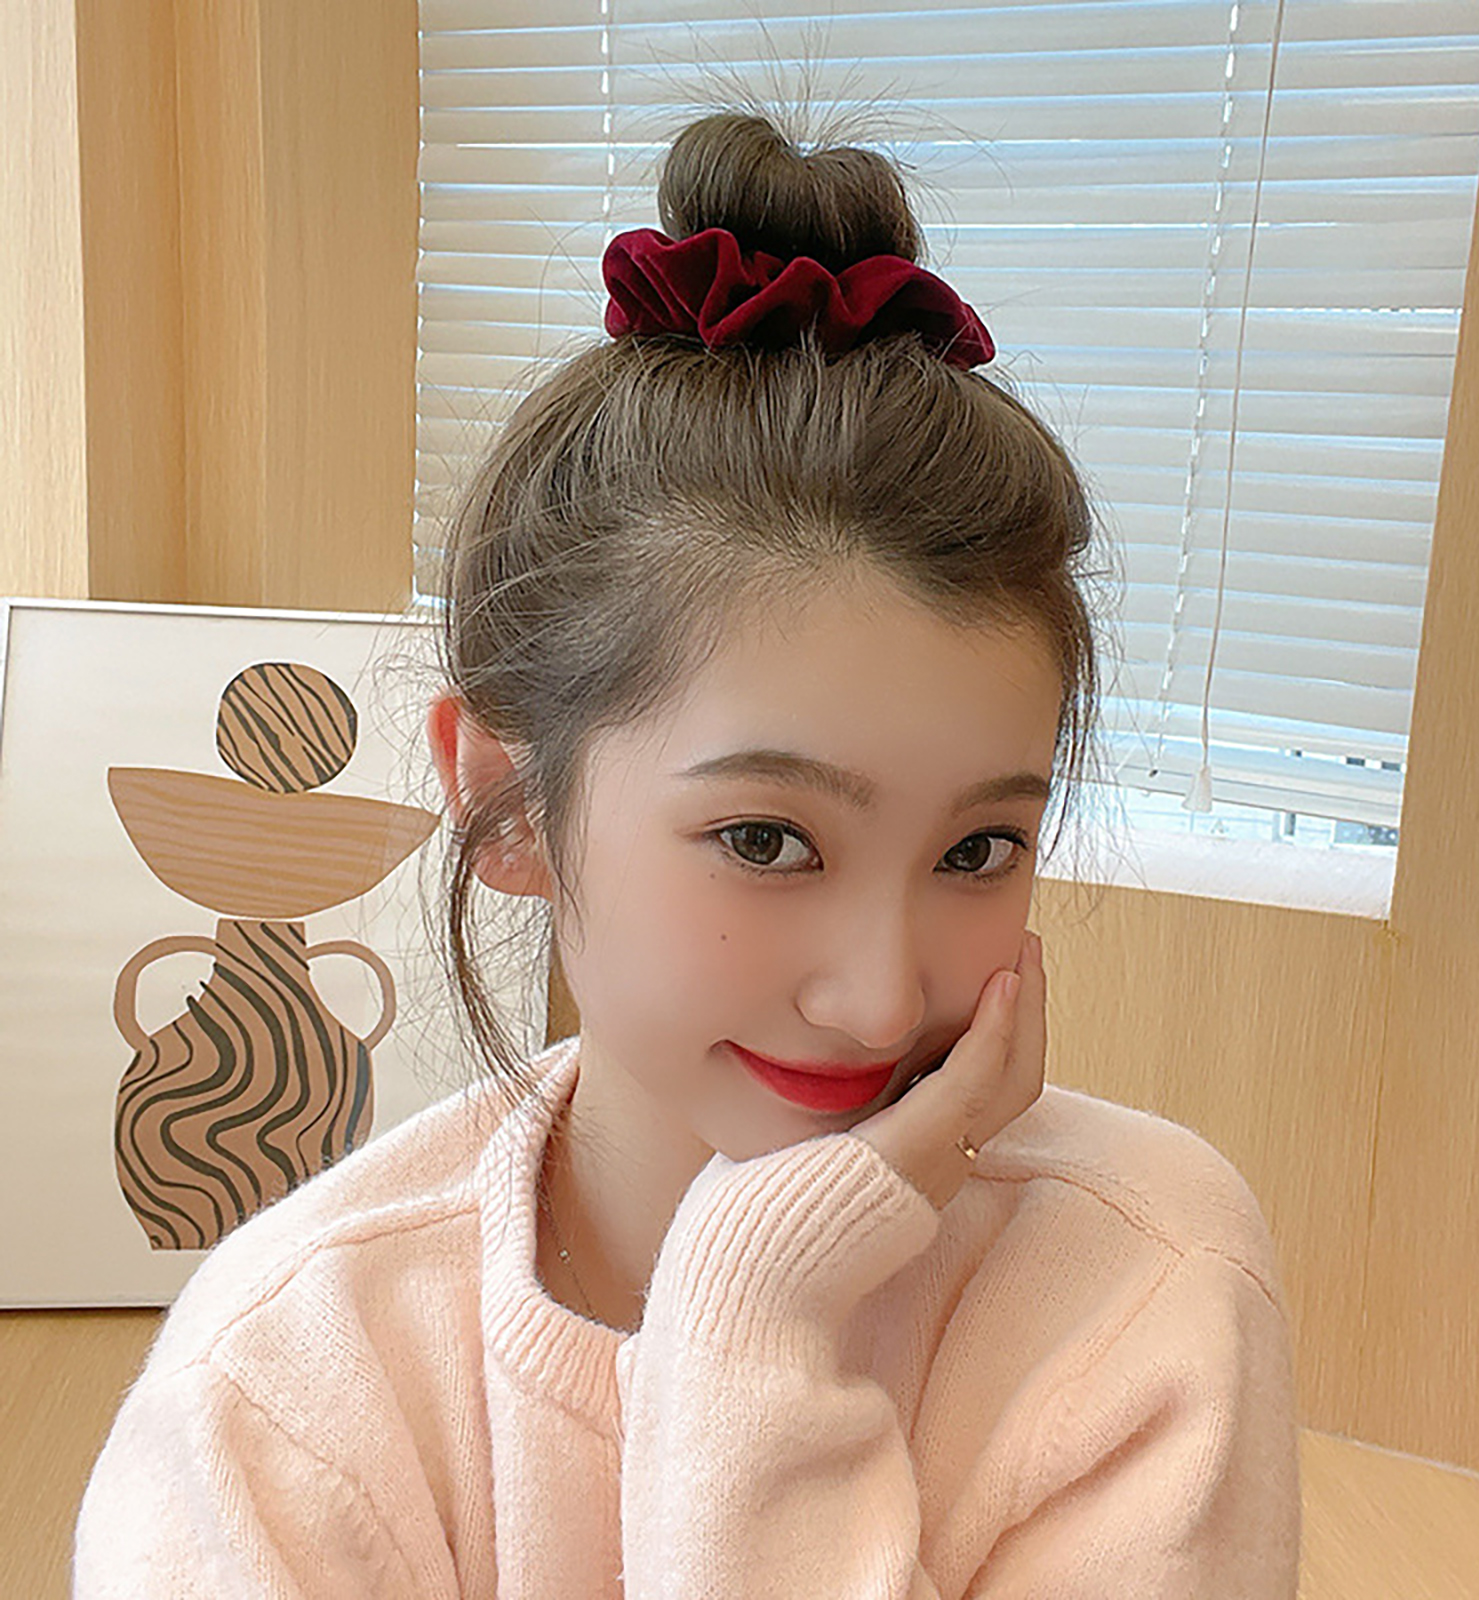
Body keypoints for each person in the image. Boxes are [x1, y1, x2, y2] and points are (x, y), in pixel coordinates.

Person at [74, 110, 1301, 1597]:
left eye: (978, 849)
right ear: (509, 806)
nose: (876, 999)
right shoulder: (277, 1395)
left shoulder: (1140, 1285)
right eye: (768, 840)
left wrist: (753, 1323)